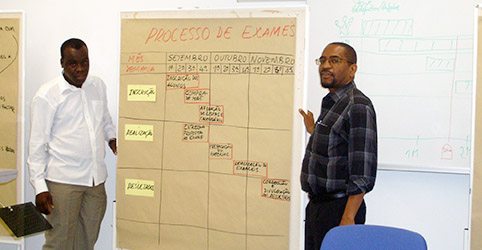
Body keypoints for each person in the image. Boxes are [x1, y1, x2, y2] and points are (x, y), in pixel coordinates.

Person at [27, 38, 117, 250]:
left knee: (87, 241)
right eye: (72, 63)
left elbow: (105, 120)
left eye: (84, 62)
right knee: (59, 242)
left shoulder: (97, 86)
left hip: (96, 181)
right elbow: (37, 144)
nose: (80, 69)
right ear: (62, 63)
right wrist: (40, 187)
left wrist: (111, 138)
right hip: (63, 182)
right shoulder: (46, 95)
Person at [299, 42, 377, 250]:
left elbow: (363, 172)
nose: (325, 66)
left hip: (340, 211)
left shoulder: (358, 105)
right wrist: (314, 131)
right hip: (317, 208)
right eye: (322, 60)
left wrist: (348, 219)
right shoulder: (333, 103)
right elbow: (337, 147)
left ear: (352, 69)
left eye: (334, 60)